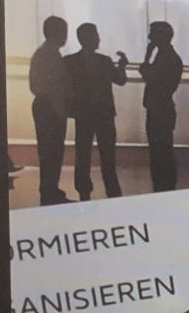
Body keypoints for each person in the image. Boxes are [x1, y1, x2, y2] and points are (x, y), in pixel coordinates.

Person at [65, 23, 128, 201]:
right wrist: (122, 66)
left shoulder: (70, 62)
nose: (99, 39)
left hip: (84, 114)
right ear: (89, 38)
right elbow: (120, 80)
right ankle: (112, 188)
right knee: (107, 153)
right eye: (96, 35)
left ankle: (83, 188)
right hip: (104, 114)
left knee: (83, 153)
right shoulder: (105, 61)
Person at [27, 15, 71, 205]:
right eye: (64, 32)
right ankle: (50, 189)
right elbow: (53, 87)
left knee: (48, 150)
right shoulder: (50, 55)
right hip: (50, 107)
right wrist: (60, 110)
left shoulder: (43, 53)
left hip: (44, 105)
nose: (66, 36)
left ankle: (49, 188)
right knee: (52, 150)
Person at [138, 20, 184, 192]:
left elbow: (149, 75)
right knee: (162, 149)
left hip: (159, 110)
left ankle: (163, 186)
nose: (150, 37)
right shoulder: (169, 57)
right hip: (162, 108)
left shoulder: (165, 58)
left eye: (152, 33)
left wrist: (146, 58)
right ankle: (165, 186)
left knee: (160, 151)